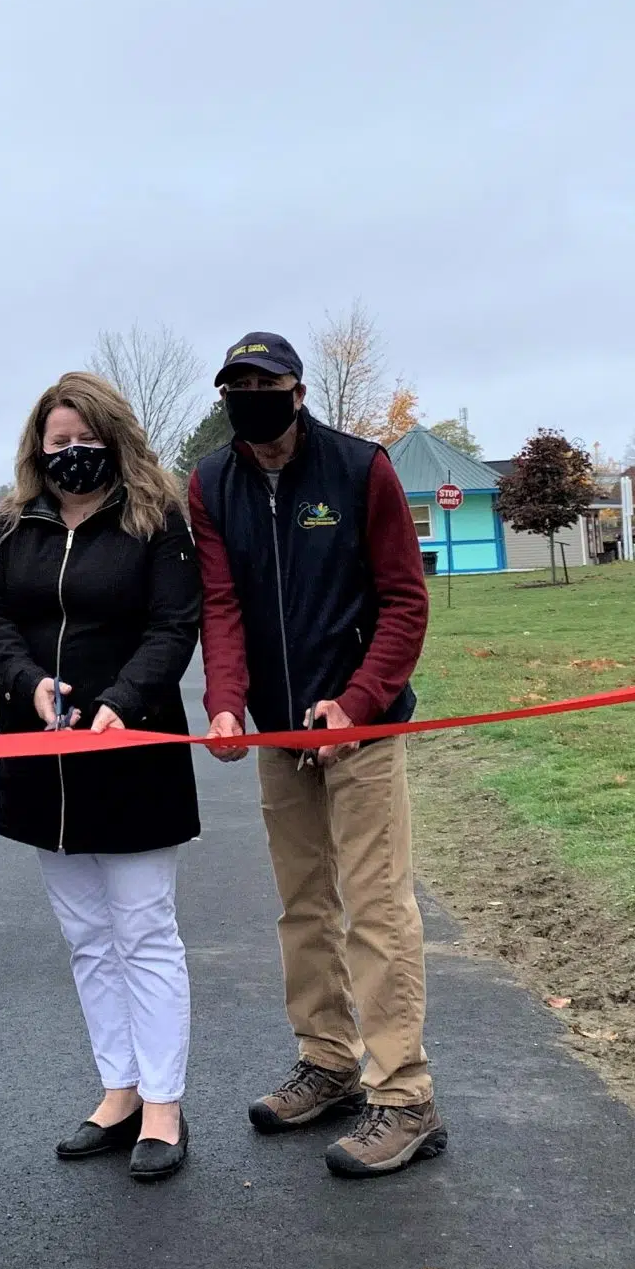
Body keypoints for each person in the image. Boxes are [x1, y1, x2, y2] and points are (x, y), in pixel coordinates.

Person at [189, 330, 440, 1179]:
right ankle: (329, 1061)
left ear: (297, 393)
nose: (250, 399)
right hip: (277, 734)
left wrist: (357, 704)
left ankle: (404, 1096)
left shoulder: (359, 470)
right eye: (236, 387)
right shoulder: (213, 482)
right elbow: (219, 604)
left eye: (265, 384)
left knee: (375, 907)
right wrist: (226, 703)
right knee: (302, 905)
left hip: (361, 731)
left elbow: (405, 603)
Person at [0, 371, 202, 1181]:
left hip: (131, 749)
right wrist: (25, 681)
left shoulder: (156, 520)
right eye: (57, 441)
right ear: (39, 447)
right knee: (86, 939)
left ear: (115, 437)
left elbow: (177, 623)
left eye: (84, 439)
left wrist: (125, 702)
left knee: (143, 931)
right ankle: (120, 1090)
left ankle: (166, 1106)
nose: (71, 454)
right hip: (44, 760)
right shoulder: (12, 525)